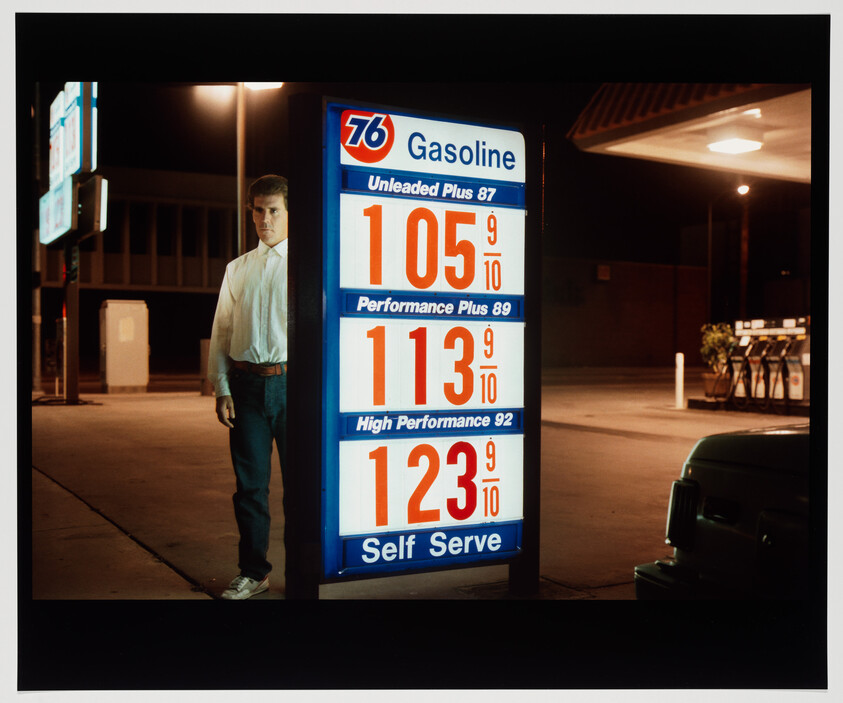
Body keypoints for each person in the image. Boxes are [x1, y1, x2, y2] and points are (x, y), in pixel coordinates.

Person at [207, 174, 289, 600]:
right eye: (258, 210)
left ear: (289, 212)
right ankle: (254, 572)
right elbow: (222, 331)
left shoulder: (309, 266)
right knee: (251, 487)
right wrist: (222, 387)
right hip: (246, 388)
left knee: (304, 487)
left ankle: (307, 571)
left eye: (274, 210)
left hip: (294, 386)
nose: (265, 219)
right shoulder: (237, 269)